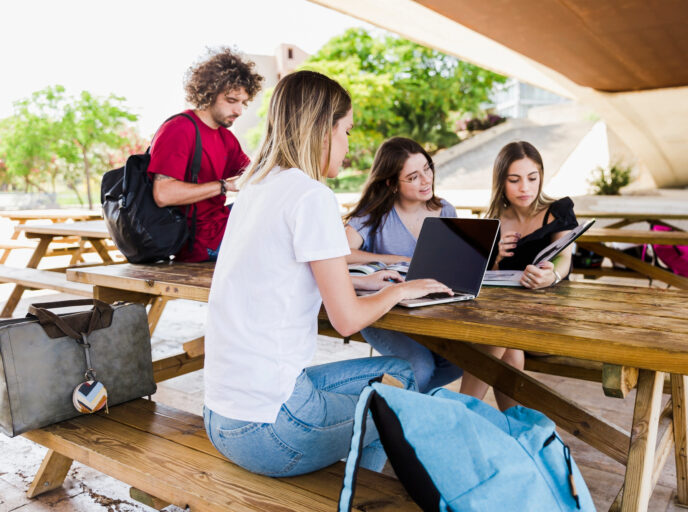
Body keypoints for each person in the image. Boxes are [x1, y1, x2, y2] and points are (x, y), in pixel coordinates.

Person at [203, 70, 452, 477]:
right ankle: (364, 492)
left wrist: (364, 280)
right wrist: (399, 290)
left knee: (399, 373)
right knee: (399, 389)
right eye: (347, 131)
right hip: (271, 431)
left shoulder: (255, 188)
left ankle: (360, 484)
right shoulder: (311, 195)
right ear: (323, 131)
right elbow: (347, 319)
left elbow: (277, 274)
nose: (348, 146)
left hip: (221, 417)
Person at [459, 140, 578, 410]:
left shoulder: (557, 211)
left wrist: (553, 276)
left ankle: (461, 411)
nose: (525, 187)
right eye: (514, 180)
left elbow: (565, 257)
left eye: (532, 178)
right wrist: (496, 257)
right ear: (501, 181)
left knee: (498, 335)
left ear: (541, 177)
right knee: (505, 343)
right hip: (510, 318)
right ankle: (517, 426)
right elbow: (491, 281)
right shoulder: (494, 220)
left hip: (552, 318)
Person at [343, 137, 463, 392]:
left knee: (460, 361)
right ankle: (398, 416)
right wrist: (396, 260)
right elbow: (339, 254)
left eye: (427, 169)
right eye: (413, 176)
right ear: (391, 183)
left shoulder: (445, 211)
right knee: (419, 366)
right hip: (383, 311)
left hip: (431, 308)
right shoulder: (373, 215)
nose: (426, 179)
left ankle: (399, 403)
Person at [147, 48, 263, 262]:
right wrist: (224, 185)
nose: (239, 110)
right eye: (231, 100)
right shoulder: (179, 128)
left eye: (243, 103)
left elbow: (255, 176)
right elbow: (163, 194)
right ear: (209, 92)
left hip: (221, 229)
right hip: (198, 242)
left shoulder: (226, 138)